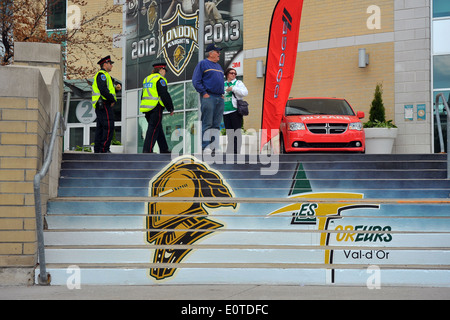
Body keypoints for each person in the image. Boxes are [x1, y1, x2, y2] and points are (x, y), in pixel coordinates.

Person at [192, 43, 224, 153]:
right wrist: (204, 93)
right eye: (217, 52)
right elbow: (196, 81)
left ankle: (215, 147)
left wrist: (222, 94)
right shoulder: (203, 64)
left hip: (219, 98)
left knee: (216, 124)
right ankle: (206, 146)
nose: (219, 54)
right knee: (207, 123)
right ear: (210, 53)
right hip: (208, 97)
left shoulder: (219, 66)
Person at [140, 62, 175, 153]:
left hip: (147, 108)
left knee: (157, 127)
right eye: (165, 70)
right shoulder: (160, 79)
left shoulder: (147, 79)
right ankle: (147, 151)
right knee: (153, 129)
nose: (165, 73)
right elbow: (164, 94)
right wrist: (170, 107)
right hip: (156, 106)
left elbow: (143, 94)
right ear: (160, 70)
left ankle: (164, 149)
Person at [92, 55, 121, 153]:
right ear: (105, 64)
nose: (112, 66)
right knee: (109, 126)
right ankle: (104, 149)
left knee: (101, 127)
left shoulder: (105, 76)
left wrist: (116, 91)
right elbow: (103, 90)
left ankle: (98, 150)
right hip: (103, 104)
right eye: (110, 64)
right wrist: (112, 100)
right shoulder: (102, 75)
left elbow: (107, 90)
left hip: (102, 104)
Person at [223, 67, 248, 154]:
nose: (234, 75)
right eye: (231, 73)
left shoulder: (238, 83)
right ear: (227, 75)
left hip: (235, 111)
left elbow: (245, 93)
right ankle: (230, 152)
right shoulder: (223, 84)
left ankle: (236, 152)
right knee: (229, 133)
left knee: (236, 132)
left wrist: (233, 89)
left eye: (235, 73)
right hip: (225, 111)